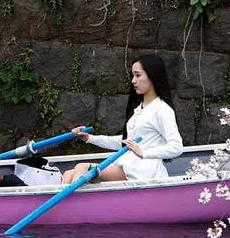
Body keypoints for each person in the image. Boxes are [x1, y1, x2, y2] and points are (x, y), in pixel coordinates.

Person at [61, 54, 184, 185]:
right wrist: (89, 138)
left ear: (152, 76)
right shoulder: (140, 109)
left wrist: (144, 152)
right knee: (68, 174)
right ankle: (64, 205)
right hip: (128, 165)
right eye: (133, 76)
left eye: (138, 75)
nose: (133, 81)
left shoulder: (162, 110)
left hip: (142, 171)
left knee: (82, 167)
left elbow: (176, 147)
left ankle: (70, 204)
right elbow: (124, 142)